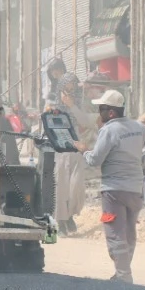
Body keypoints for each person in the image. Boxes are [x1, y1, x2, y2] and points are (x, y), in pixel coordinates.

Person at [79, 89, 145, 283]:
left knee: (114, 231)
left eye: (101, 109)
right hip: (135, 190)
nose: (99, 113)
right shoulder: (137, 127)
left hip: (113, 191)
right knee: (128, 231)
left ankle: (123, 276)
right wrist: (143, 162)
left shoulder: (109, 130)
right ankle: (122, 272)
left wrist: (83, 151)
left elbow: (95, 160)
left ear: (111, 112)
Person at [46, 57, 95, 236]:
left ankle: (70, 216)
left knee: (76, 185)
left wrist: (72, 105)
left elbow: (85, 121)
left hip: (76, 145)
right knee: (61, 185)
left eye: (73, 84)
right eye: (54, 72)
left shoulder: (78, 100)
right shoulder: (52, 98)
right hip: (60, 144)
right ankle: (61, 220)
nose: (71, 87)